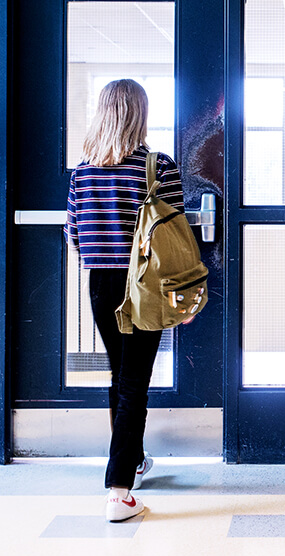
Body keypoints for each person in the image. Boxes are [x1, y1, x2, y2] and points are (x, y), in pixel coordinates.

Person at [64, 79, 185, 522]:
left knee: (121, 375)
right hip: (145, 286)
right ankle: (118, 491)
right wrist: (177, 297)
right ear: (140, 114)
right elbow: (174, 239)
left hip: (101, 285)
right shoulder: (158, 167)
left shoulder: (82, 172)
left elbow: (73, 235)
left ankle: (130, 458)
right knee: (135, 381)